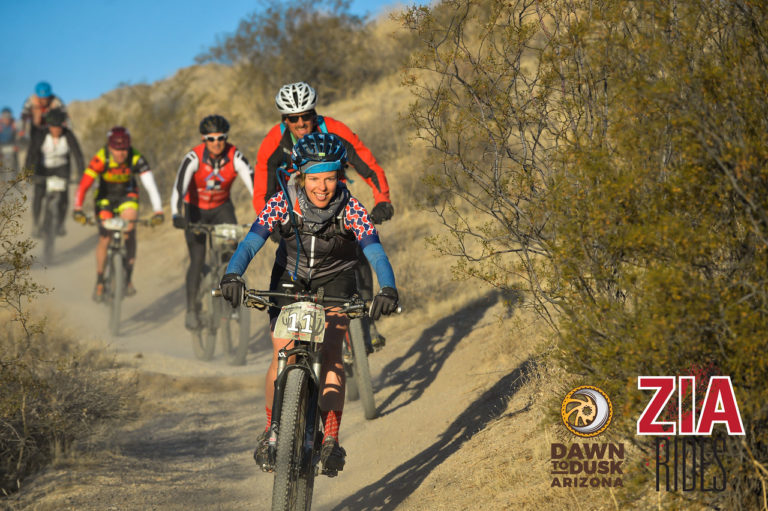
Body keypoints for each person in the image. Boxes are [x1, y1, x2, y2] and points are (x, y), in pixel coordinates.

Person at [220, 132, 399, 474]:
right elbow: (250, 242)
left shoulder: (352, 209)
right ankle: (274, 432)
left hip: (336, 278)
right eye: (315, 178)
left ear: (339, 177)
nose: (322, 187)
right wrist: (233, 275)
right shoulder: (282, 203)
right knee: (282, 350)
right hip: (289, 276)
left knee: (331, 352)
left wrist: (387, 288)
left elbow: (375, 252)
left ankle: (330, 439)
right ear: (300, 175)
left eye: (330, 178)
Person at [253, 81, 394, 351]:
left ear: (314, 113)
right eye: (294, 118)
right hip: (295, 209)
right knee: (291, 258)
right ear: (285, 119)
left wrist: (383, 199)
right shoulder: (274, 141)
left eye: (307, 115)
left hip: (334, 202)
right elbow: (262, 188)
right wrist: (268, 223)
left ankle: (363, 321)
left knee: (357, 253)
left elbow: (367, 164)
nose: (302, 122)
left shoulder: (334, 130)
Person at [170, 115, 254, 330]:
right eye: (211, 138)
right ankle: (191, 309)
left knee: (232, 255)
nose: (216, 143)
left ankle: (231, 298)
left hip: (221, 209)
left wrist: (266, 215)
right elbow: (179, 188)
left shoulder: (235, 156)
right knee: (197, 260)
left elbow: (255, 186)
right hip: (194, 210)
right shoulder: (193, 158)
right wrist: (176, 214)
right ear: (203, 139)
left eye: (221, 138)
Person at [72, 126, 164, 300]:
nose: (121, 153)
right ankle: (99, 280)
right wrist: (78, 208)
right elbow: (84, 184)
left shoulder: (135, 157)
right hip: (105, 197)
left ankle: (127, 278)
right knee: (105, 237)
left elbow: (150, 186)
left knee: (130, 230)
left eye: (124, 149)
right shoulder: (101, 157)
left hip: (127, 195)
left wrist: (158, 210)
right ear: (109, 146)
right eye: (117, 149)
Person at [25, 108, 84, 237]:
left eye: (59, 127)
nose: (56, 130)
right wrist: (28, 173)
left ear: (63, 125)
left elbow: (77, 155)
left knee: (64, 197)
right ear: (48, 126)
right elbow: (31, 154)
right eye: (53, 127)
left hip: (62, 169)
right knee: (38, 194)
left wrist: (81, 174)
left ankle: (60, 225)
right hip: (43, 169)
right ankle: (36, 223)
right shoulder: (40, 135)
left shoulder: (68, 135)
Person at [0, 107, 20, 176]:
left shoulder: (14, 125)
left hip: (11, 148)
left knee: (12, 162)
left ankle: (12, 180)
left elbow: (18, 138)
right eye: (5, 116)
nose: (7, 119)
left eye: (8, 116)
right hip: (1, 147)